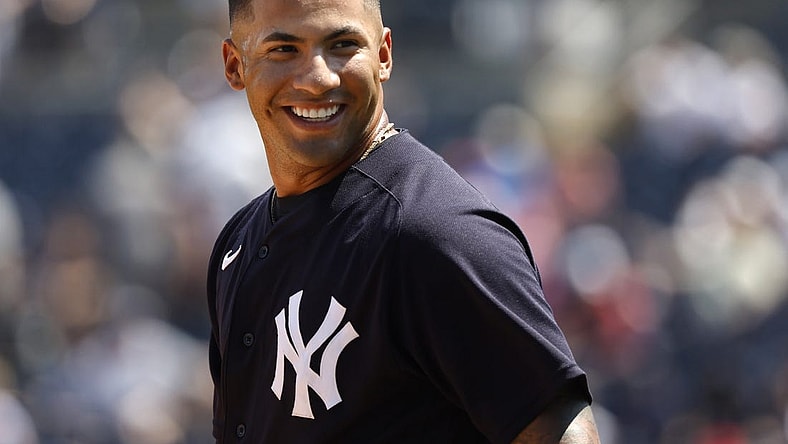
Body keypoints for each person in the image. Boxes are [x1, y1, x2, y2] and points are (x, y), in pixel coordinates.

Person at [207, 0, 600, 442]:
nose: (318, 78)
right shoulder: (237, 243)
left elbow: (564, 434)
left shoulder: (435, 232)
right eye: (283, 49)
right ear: (235, 65)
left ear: (383, 56)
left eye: (343, 45)